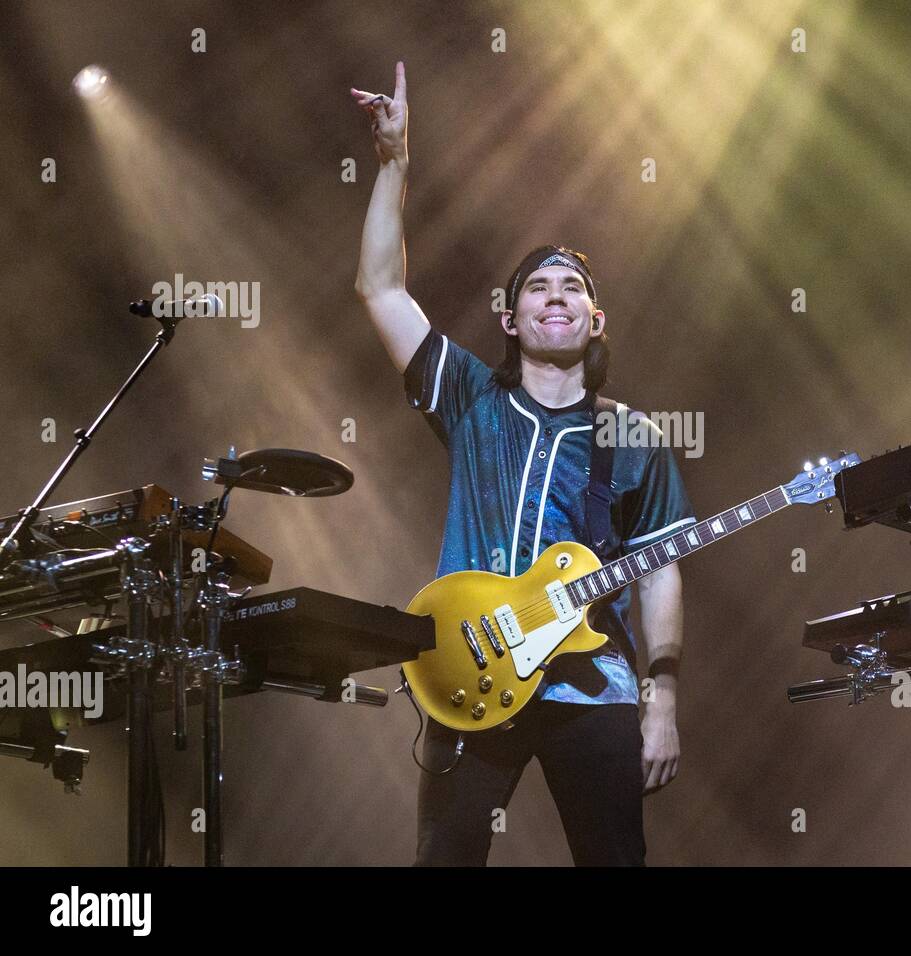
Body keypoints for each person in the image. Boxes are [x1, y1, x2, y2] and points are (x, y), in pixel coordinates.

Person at [351, 62, 693, 866]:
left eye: (572, 287)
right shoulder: (471, 394)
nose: (555, 296)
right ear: (510, 317)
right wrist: (394, 163)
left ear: (595, 316)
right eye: (536, 287)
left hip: (594, 683)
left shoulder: (631, 434)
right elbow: (379, 287)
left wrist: (665, 697)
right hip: (466, 671)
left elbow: (661, 569)